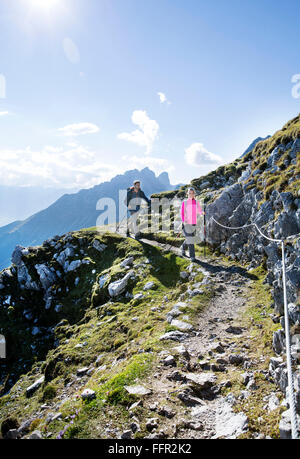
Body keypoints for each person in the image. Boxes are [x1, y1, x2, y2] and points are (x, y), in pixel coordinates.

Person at [180, 187, 204, 262]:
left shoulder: (196, 202)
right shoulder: (185, 202)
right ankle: (192, 256)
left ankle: (182, 248)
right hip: (186, 223)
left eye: (192, 193)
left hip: (193, 223)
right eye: (189, 193)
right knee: (190, 240)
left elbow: (199, 211)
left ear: (194, 194)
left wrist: (202, 213)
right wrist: (184, 221)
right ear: (187, 194)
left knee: (189, 239)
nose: (191, 194)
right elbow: (182, 213)